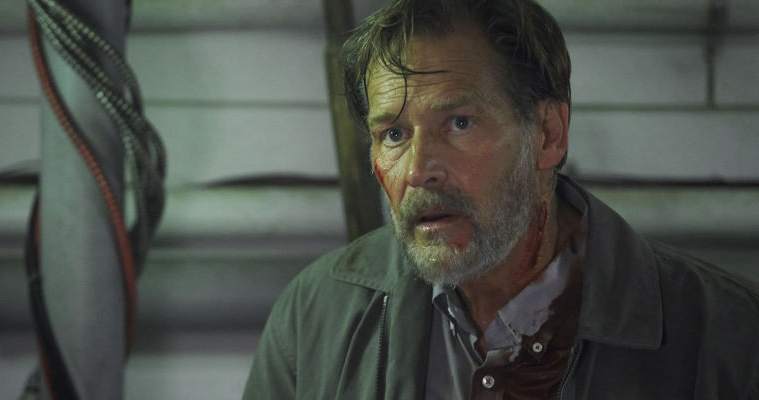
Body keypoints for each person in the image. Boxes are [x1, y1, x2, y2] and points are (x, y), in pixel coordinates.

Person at [242, 0, 759, 398]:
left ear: (548, 135)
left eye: (459, 123)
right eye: (394, 135)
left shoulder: (726, 334)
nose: (419, 170)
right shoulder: (315, 316)